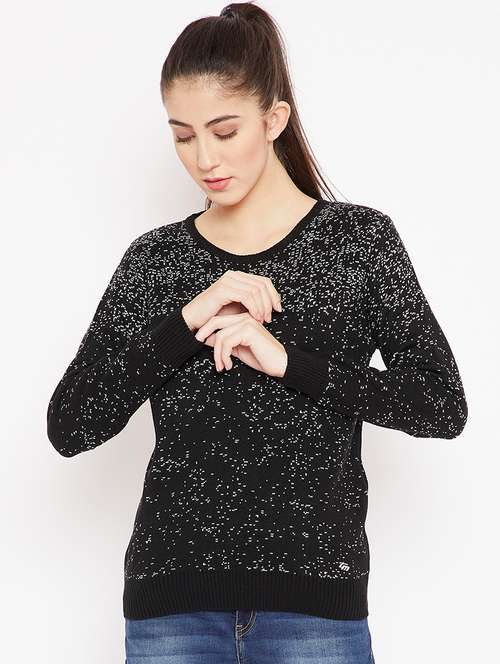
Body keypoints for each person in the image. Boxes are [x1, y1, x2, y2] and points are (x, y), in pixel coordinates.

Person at [47, 2, 468, 663]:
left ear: (274, 119)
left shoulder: (358, 242)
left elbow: (441, 405)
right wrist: (187, 320)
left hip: (315, 610)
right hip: (171, 609)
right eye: (183, 136)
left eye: (224, 130)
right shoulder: (155, 261)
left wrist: (289, 363)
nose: (203, 158)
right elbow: (70, 424)